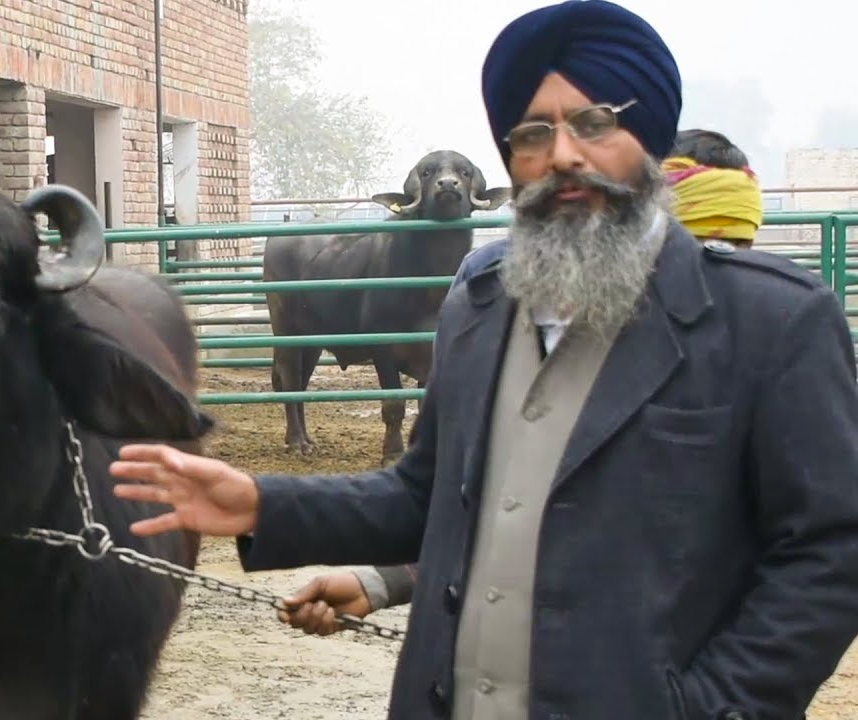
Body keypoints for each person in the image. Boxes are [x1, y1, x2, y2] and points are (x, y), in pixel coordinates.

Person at [109, 2, 858, 719]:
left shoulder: (774, 324)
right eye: (532, 133)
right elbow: (424, 496)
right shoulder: (480, 309)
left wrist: (712, 708)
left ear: (650, 143)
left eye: (595, 123)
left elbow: (830, 551)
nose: (563, 154)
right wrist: (264, 504)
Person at [281, 125, 769, 637]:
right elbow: (497, 510)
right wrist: (384, 581)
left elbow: (820, 542)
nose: (720, 269)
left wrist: (733, 691)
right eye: (701, 245)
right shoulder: (539, 329)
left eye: (735, 246)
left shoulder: (780, 333)